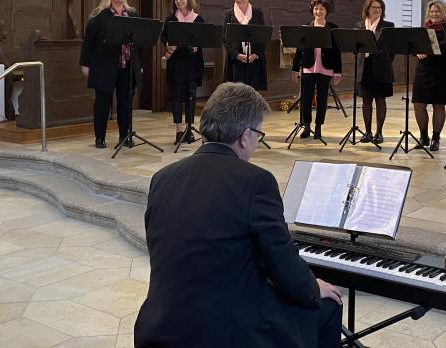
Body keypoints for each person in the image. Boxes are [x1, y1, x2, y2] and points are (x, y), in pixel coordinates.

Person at [134, 82, 343, 347]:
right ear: (245, 136)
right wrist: (313, 289)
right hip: (222, 332)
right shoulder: (256, 182)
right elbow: (282, 263)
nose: (256, 143)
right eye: (258, 136)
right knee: (326, 308)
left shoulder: (162, 178)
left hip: (159, 324)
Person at [79, 0, 141, 149]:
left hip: (127, 66)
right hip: (104, 65)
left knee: (125, 102)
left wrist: (138, 65)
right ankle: (100, 138)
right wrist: (85, 64)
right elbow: (88, 42)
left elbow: (139, 42)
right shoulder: (99, 16)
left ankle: (125, 136)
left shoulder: (132, 14)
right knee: (103, 103)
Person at [292, 0, 342, 141]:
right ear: (312, 10)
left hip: (326, 68)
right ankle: (306, 126)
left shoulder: (333, 28)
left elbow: (337, 52)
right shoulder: (307, 28)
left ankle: (318, 127)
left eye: (321, 9)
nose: (318, 11)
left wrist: (338, 72)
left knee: (322, 99)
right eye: (316, 9)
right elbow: (299, 50)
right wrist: (295, 69)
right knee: (306, 99)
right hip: (308, 67)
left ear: (326, 11)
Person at [162, 0, 205, 145]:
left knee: (191, 96)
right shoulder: (171, 19)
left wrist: (197, 45)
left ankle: (189, 129)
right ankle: (179, 131)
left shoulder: (198, 19)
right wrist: (168, 45)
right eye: (176, 0)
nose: (178, 1)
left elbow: (203, 39)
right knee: (177, 97)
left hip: (193, 62)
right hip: (176, 62)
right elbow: (164, 37)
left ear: (188, 0)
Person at [413, 0, 446, 152]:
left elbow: (445, 47)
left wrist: (427, 50)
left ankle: (436, 138)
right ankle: (424, 137)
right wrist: (417, 51)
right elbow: (413, 45)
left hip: (442, 68)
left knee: (439, 103)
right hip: (424, 69)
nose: (434, 14)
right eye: (432, 11)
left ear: (444, 12)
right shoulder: (424, 28)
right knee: (418, 103)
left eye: (437, 11)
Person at [356, 0, 394, 144]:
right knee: (366, 101)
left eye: (380, 8)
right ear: (367, 9)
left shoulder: (388, 26)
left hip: (381, 68)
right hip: (364, 68)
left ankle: (379, 132)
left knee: (380, 100)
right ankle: (367, 132)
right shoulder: (359, 26)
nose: (377, 10)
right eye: (374, 8)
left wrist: (385, 62)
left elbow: (392, 50)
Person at [223, 0, 268, 91]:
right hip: (236, 60)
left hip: (254, 59)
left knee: (253, 92)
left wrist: (256, 54)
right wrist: (237, 55)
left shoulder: (257, 14)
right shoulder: (228, 14)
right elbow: (225, 38)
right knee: (235, 92)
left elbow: (263, 36)